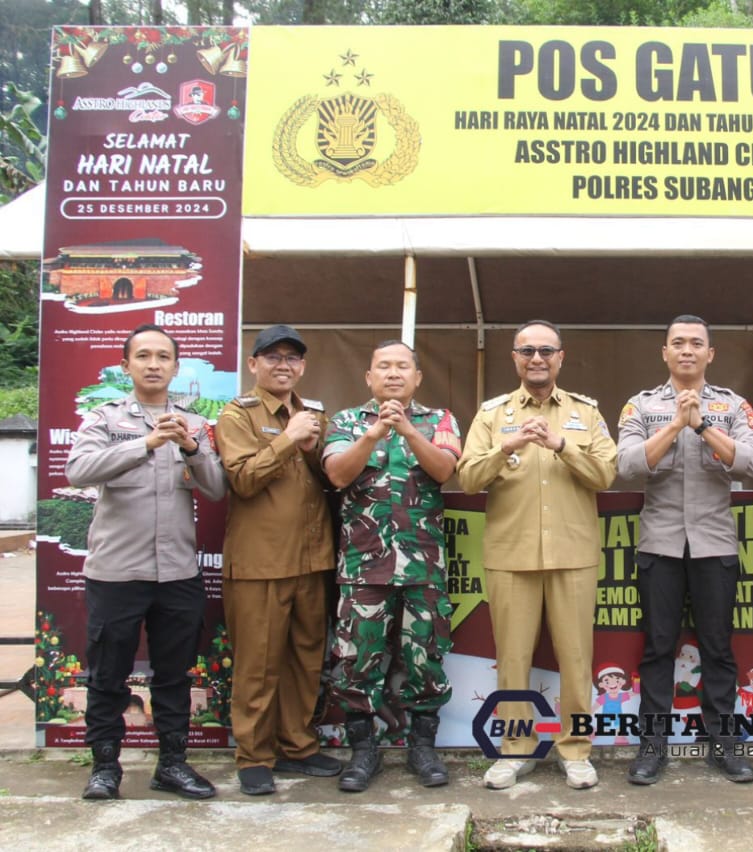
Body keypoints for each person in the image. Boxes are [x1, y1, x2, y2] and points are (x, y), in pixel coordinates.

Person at [66, 324, 227, 801]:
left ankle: (173, 765)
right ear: (126, 366)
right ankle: (104, 768)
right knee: (108, 675)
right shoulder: (104, 417)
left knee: (174, 674)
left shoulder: (194, 423)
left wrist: (193, 450)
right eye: (143, 356)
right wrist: (146, 444)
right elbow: (78, 470)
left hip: (177, 572)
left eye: (163, 357)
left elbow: (217, 489)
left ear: (176, 368)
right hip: (116, 572)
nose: (154, 364)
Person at [457, 320, 617, 790]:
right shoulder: (492, 414)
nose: (537, 359)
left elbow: (606, 473)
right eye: (527, 350)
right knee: (512, 658)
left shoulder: (586, 413)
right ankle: (515, 749)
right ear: (515, 358)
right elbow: (467, 478)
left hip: (573, 552)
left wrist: (561, 445)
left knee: (575, 657)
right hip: (511, 553)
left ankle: (576, 751)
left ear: (561, 357)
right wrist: (506, 445)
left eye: (546, 350)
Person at [616, 315, 753, 785]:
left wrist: (700, 426)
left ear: (710, 354)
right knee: (659, 649)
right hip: (659, 544)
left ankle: (724, 745)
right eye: (677, 343)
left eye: (695, 343)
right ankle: (652, 747)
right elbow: (627, 466)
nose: (686, 350)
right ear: (664, 352)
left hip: (714, 544)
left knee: (718, 650)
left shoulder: (733, 405)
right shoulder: (639, 406)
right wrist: (675, 423)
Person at [322, 340, 462, 792]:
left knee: (425, 659)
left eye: (403, 367)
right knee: (357, 662)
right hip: (364, 567)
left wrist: (407, 431)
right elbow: (338, 475)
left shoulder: (439, 419)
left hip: (423, 566)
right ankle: (364, 752)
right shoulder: (346, 421)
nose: (394, 374)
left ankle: (423, 748)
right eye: (383, 366)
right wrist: (374, 434)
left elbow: (444, 470)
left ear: (418, 377)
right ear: (369, 377)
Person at [215, 325, 341, 796]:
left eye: (292, 358)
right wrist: (288, 438)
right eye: (272, 356)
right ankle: (254, 755)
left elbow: (331, 483)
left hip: (313, 561)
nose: (282, 365)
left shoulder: (313, 415)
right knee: (258, 664)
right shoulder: (237, 415)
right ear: (254, 365)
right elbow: (244, 480)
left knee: (306, 661)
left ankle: (298, 746)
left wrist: (309, 448)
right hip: (261, 564)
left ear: (303, 367)